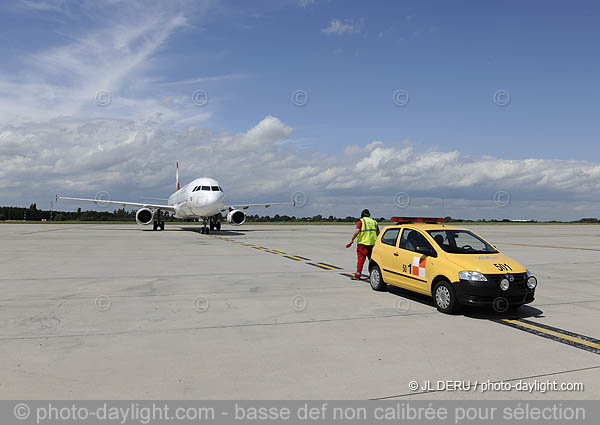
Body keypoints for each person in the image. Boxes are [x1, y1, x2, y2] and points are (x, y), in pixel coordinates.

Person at [346, 209, 380, 280]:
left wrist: (352, 240)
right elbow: (378, 233)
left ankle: (357, 275)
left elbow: (357, 231)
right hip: (372, 244)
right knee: (373, 261)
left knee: (361, 260)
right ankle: (374, 274)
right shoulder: (374, 222)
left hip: (362, 244)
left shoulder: (361, 221)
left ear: (362, 215)